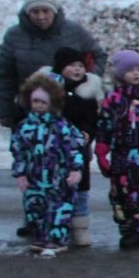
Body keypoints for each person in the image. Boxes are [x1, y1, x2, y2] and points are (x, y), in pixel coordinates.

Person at [0, 0, 104, 130]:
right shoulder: (15, 36)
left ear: (54, 11)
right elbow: (5, 76)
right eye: (35, 11)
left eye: (46, 11)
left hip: (73, 114)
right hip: (32, 111)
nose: (41, 16)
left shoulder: (73, 31)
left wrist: (86, 81)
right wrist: (6, 109)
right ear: (27, 13)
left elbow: (99, 56)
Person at [95, 50, 139, 250]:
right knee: (120, 194)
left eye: (138, 69)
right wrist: (101, 151)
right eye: (130, 70)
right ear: (120, 74)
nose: (136, 74)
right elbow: (105, 126)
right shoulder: (113, 99)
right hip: (120, 156)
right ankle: (128, 228)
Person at [10, 73, 86, 258]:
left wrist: (76, 169)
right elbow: (18, 151)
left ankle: (57, 239)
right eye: (35, 101)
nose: (38, 106)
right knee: (35, 209)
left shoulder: (61, 126)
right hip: (34, 178)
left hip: (57, 178)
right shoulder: (24, 127)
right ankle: (41, 236)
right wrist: (20, 174)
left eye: (43, 102)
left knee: (59, 209)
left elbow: (74, 148)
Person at [40, 46, 104, 247]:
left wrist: (88, 133)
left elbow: (92, 120)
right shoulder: (48, 92)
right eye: (72, 66)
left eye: (81, 66)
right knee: (53, 188)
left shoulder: (86, 94)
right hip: (51, 151)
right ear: (60, 67)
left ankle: (80, 226)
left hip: (78, 150)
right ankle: (52, 226)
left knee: (81, 188)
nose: (77, 70)